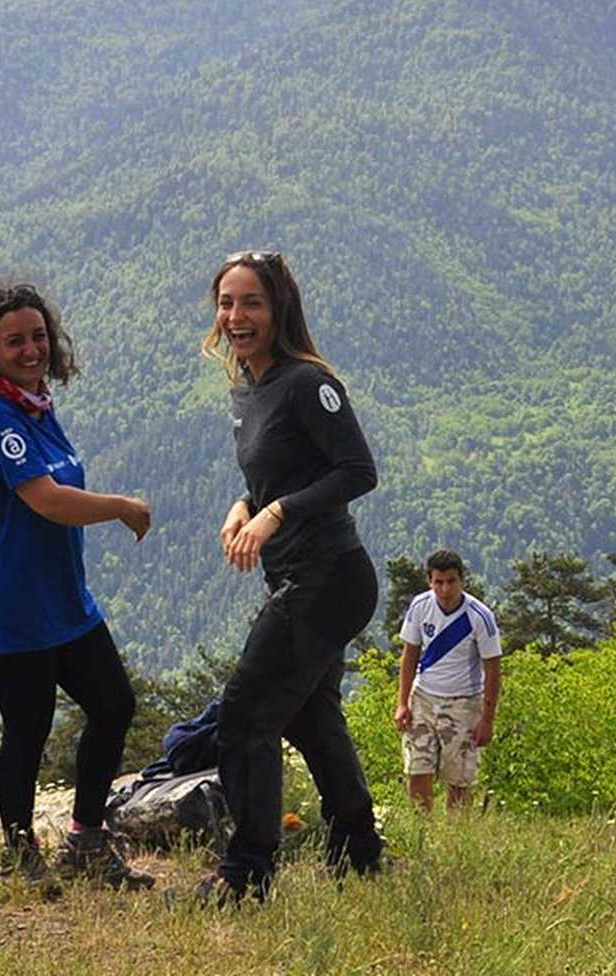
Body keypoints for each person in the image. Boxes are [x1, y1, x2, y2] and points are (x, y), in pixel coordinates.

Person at [0, 282, 155, 892]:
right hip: (9, 605)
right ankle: (19, 851)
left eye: (38, 336)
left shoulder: (34, 406)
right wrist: (121, 506)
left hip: (62, 598)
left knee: (113, 704)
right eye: (15, 340)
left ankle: (84, 839)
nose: (31, 349)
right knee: (28, 726)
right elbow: (47, 501)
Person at [201, 249, 384, 903]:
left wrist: (275, 512)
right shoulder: (249, 391)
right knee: (309, 719)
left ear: (279, 309)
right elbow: (279, 474)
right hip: (303, 578)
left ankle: (246, 874)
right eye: (226, 303)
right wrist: (245, 504)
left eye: (251, 301)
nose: (236, 316)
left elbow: (356, 471)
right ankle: (359, 854)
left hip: (328, 577)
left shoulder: (308, 383)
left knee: (246, 713)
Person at [394, 550, 502, 814]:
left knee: (459, 779)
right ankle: (422, 833)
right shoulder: (420, 607)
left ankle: (455, 839)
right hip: (424, 699)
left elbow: (493, 669)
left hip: (463, 703)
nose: (445, 589)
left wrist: (487, 719)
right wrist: (402, 703)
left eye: (451, 581)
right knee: (418, 769)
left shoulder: (480, 616)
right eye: (439, 582)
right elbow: (409, 655)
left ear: (461, 579)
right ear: (430, 581)